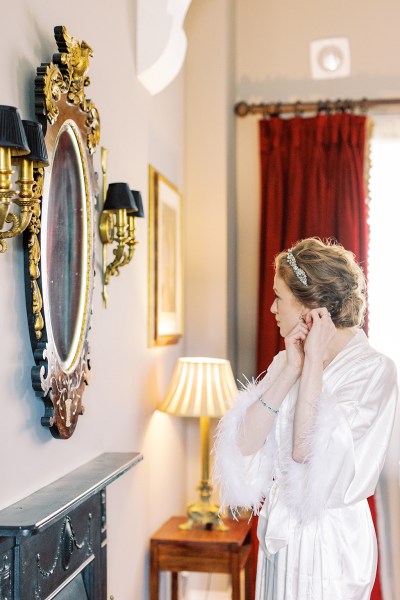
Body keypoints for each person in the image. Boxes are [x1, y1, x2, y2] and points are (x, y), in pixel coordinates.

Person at [213, 237, 398, 600]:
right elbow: (244, 444)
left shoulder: (375, 371)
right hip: (282, 540)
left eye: (279, 296)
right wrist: (290, 369)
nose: (271, 308)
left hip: (332, 546)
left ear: (310, 307)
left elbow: (305, 453)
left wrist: (312, 364)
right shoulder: (287, 360)